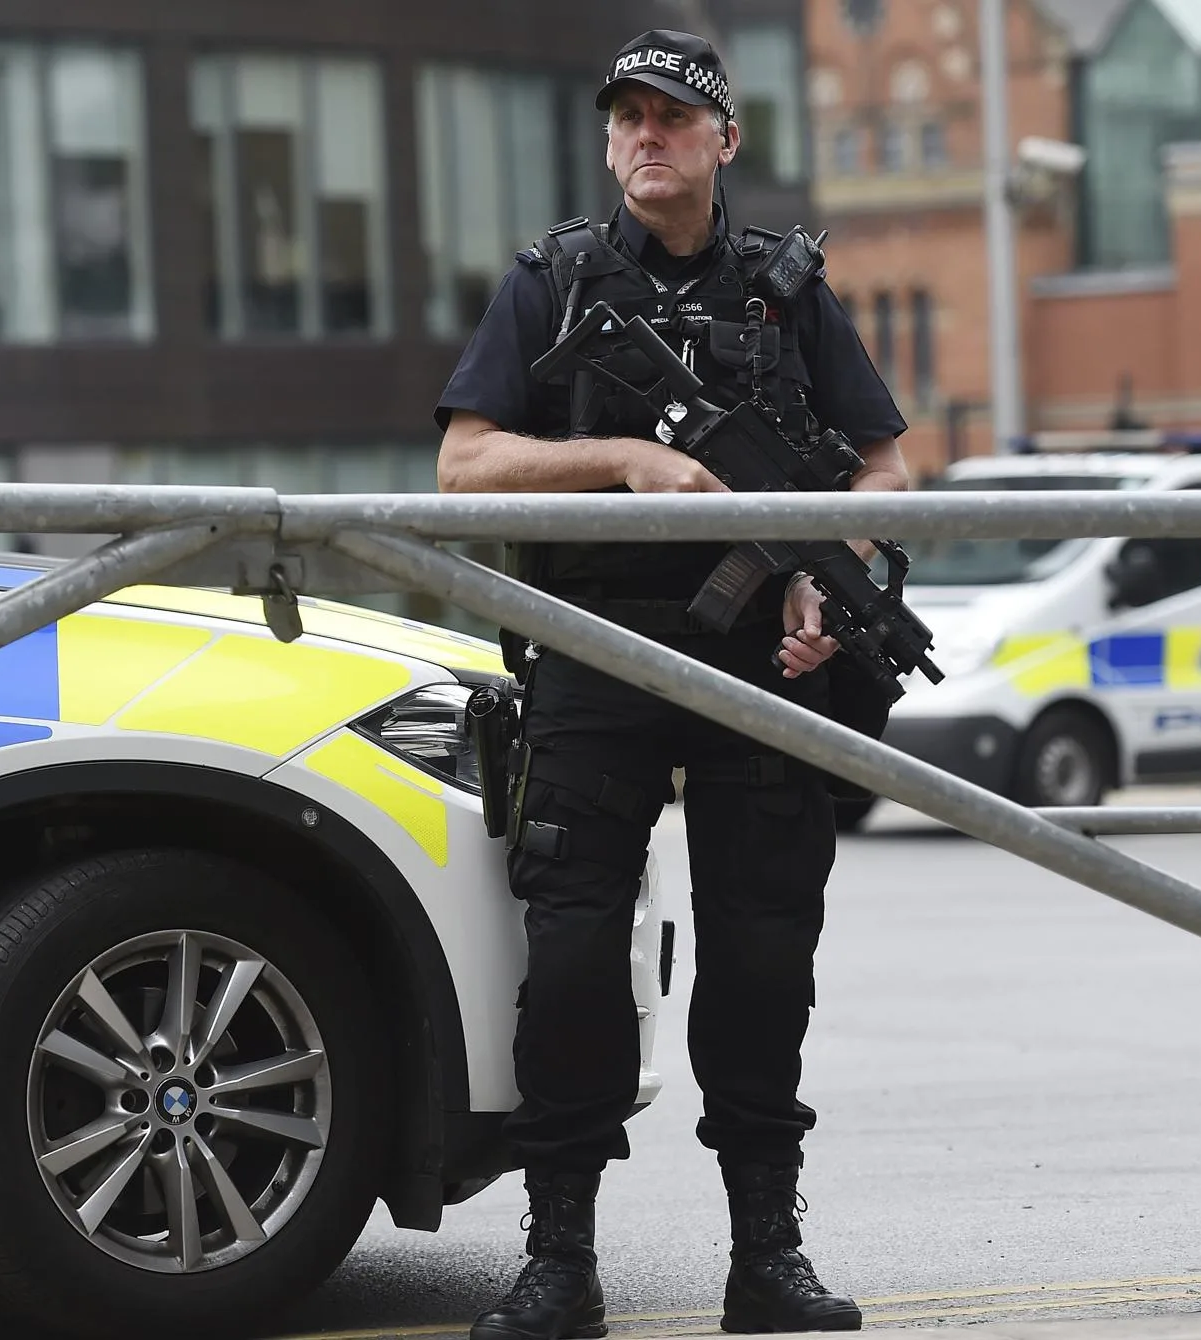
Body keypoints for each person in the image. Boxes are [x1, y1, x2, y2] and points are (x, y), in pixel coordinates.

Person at [434, 28, 909, 1340]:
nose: (649, 135)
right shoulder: (552, 282)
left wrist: (826, 565)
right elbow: (464, 470)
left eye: (675, 118)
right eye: (629, 117)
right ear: (607, 140)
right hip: (595, 649)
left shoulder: (786, 290)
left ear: (724, 142)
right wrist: (621, 464)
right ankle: (559, 1261)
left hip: (766, 657)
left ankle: (768, 1254)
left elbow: (883, 468)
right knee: (576, 950)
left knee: (764, 956)